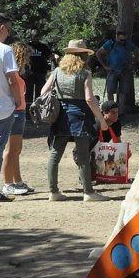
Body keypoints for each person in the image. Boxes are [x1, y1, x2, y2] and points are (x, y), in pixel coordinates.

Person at [42, 39, 110, 202]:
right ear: (82, 55)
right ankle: (88, 192)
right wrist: (102, 120)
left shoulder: (57, 71)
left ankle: (53, 192)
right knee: (83, 155)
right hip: (80, 116)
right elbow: (89, 99)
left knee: (55, 153)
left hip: (60, 116)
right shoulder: (85, 72)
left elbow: (44, 91)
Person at [2, 42, 33, 196]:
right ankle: (7, 184)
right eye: (27, 55)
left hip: (19, 112)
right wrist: (18, 103)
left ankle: (18, 181)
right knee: (10, 150)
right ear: (21, 54)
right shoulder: (12, 73)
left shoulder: (18, 73)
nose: (28, 58)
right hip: (14, 112)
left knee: (17, 150)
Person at [0, 14, 23, 202]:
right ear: (1, 28)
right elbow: (12, 80)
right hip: (2, 108)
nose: (9, 33)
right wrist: (17, 101)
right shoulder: (5, 50)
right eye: (8, 28)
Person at [96, 29, 139, 112]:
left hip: (125, 70)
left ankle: (120, 112)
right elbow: (98, 53)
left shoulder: (128, 44)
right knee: (110, 91)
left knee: (123, 92)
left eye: (124, 40)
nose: (123, 42)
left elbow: (138, 52)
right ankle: (111, 110)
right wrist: (105, 66)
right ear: (116, 37)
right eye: (121, 40)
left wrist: (133, 63)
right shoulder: (110, 43)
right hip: (112, 71)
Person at [24, 30, 58, 114]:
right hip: (29, 73)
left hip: (41, 73)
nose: (36, 39)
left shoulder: (43, 47)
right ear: (31, 37)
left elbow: (50, 55)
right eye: (34, 37)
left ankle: (38, 111)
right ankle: (28, 112)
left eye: (37, 37)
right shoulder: (27, 46)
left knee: (40, 92)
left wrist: (55, 56)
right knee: (28, 92)